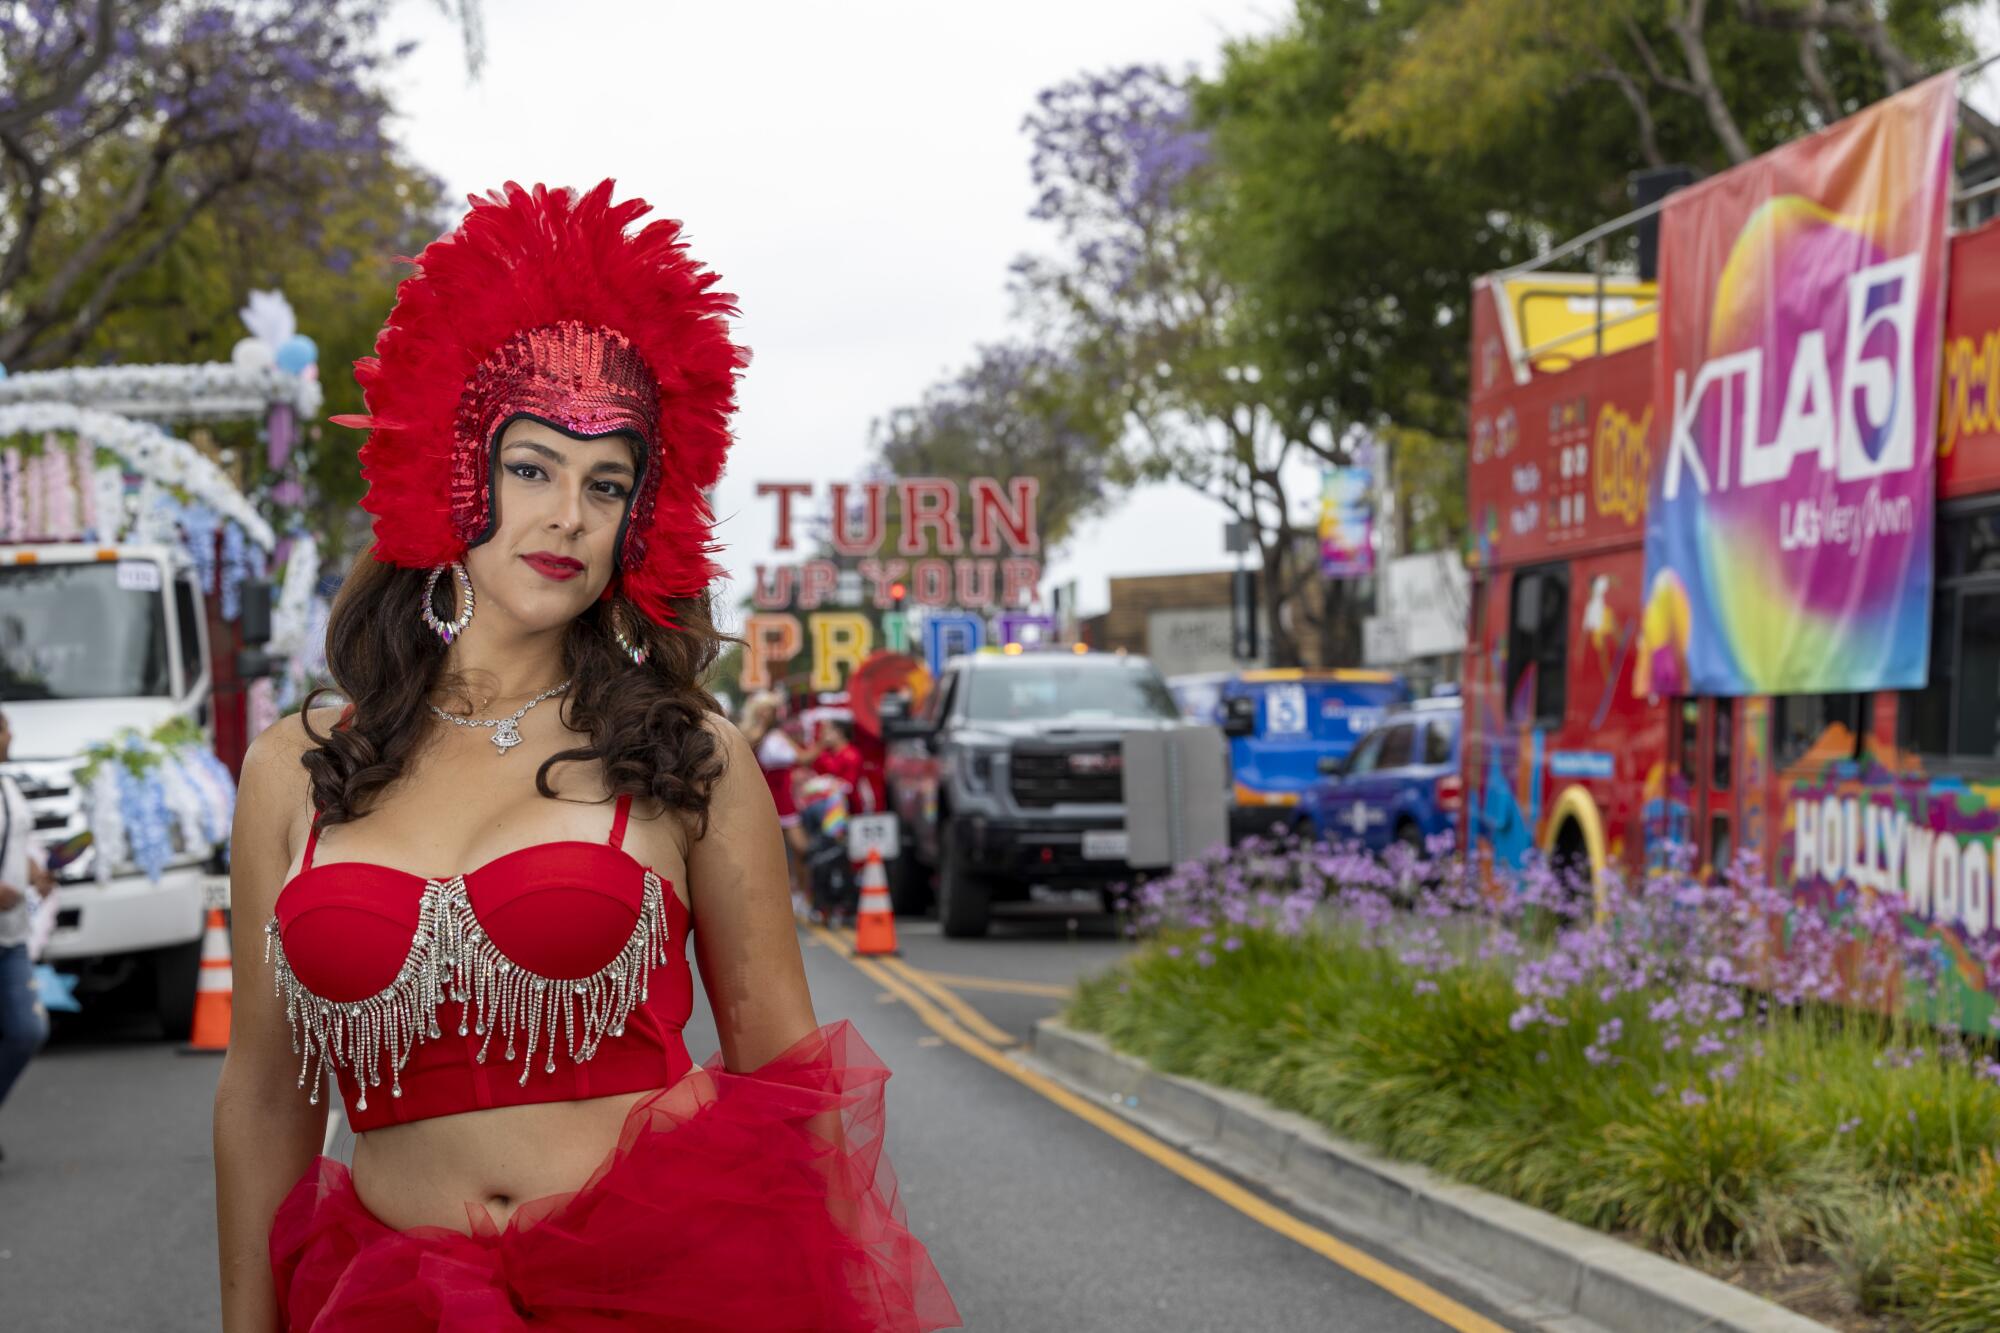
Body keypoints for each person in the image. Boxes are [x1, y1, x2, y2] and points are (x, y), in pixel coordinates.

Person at [211, 181, 959, 1332]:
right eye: (533, 468)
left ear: (637, 519)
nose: (567, 512)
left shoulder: (683, 753)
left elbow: (782, 1063)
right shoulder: (296, 765)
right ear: (459, 474)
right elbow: (266, 1098)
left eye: (606, 483)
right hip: (387, 1300)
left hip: (661, 1291)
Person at [0, 705, 56, 1164]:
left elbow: (16, 845)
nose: (10, 734)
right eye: (2, 728)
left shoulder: (8, 788)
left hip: (11, 937)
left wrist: (36, 873)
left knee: (26, 1030)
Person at [738, 689, 812, 910]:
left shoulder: (780, 736)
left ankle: (803, 894)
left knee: (801, 848)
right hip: (762, 801)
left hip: (785, 802)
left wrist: (821, 744)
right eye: (767, 709)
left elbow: (803, 757)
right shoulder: (750, 732)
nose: (772, 713)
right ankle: (767, 900)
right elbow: (748, 747)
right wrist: (761, 723)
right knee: (765, 855)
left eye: (773, 709)